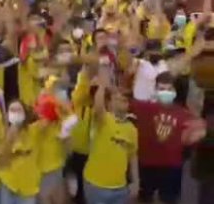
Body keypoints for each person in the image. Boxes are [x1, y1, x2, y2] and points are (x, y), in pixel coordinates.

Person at [131, 71, 206, 204]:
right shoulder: (143, 108)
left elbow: (196, 136)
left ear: (175, 92)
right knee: (145, 198)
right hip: (147, 165)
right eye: (161, 89)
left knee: (169, 199)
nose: (165, 92)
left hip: (172, 167)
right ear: (155, 90)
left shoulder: (185, 115)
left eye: (169, 89)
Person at [83, 72, 139, 204]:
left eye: (125, 100)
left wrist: (136, 182)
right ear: (109, 104)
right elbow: (98, 107)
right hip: (96, 185)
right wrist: (102, 86)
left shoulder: (132, 129)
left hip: (120, 188)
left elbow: (133, 157)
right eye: (117, 99)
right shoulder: (104, 120)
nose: (122, 101)